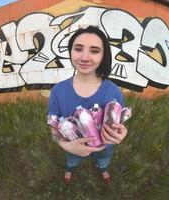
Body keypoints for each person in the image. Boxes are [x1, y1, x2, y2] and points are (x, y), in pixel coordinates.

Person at [48, 25, 128, 184]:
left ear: (103, 55)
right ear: (71, 52)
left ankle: (103, 169)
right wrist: (65, 145)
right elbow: (53, 127)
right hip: (73, 146)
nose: (85, 57)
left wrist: (122, 132)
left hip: (104, 147)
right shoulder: (58, 91)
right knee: (72, 160)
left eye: (94, 50)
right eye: (78, 49)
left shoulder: (114, 91)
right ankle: (69, 170)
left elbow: (119, 123)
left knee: (103, 160)